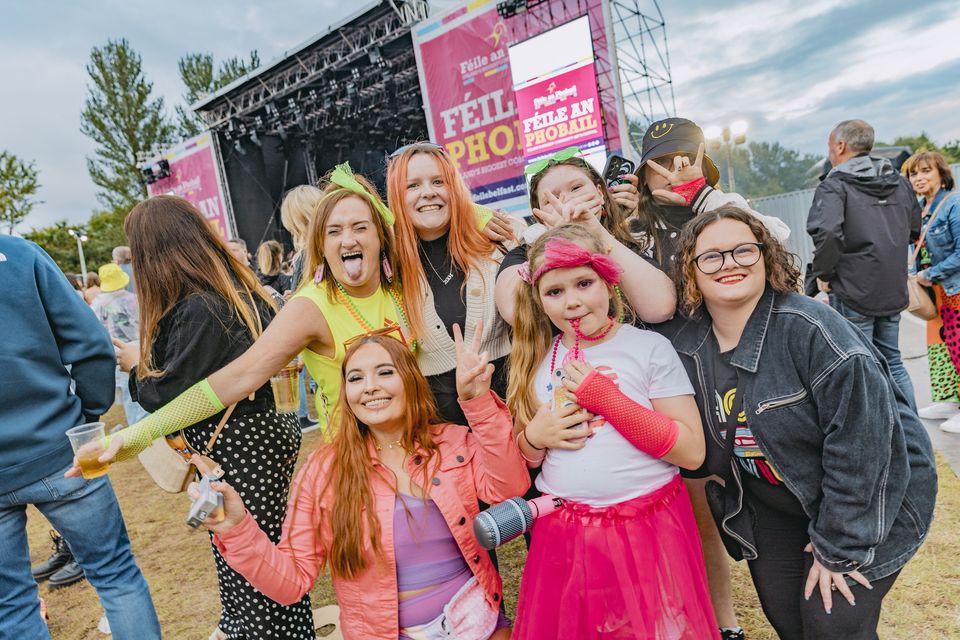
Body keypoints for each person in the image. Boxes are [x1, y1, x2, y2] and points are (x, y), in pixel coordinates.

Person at [672, 205, 937, 639]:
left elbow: (864, 453)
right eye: (712, 256)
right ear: (692, 272)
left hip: (868, 502)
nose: (730, 264)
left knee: (829, 626)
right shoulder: (688, 347)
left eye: (744, 250)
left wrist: (838, 547)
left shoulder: (814, 332)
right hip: (772, 504)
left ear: (767, 256)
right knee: (790, 623)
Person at [190, 332, 527, 639]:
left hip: (475, 621)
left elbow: (509, 487)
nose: (369, 386)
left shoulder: (453, 443)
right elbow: (291, 582)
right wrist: (236, 528)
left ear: (410, 380)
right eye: (356, 378)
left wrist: (478, 401)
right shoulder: (325, 471)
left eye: (384, 372)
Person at [109, 195, 315, 639]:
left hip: (237, 450)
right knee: (252, 554)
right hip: (257, 439)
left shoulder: (200, 307)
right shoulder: (236, 291)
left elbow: (166, 392)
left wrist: (133, 367)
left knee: (253, 567)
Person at [507, 224, 717, 638]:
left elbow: (692, 452)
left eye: (584, 283)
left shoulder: (648, 348)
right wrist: (535, 438)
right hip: (565, 534)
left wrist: (610, 401)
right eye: (554, 292)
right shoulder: (536, 361)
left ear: (608, 281)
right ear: (539, 300)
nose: (572, 302)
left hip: (648, 527)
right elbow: (525, 458)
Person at [0, 235, 160, 639]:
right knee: (115, 576)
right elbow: (90, 344)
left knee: (11, 606)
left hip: (61, 450)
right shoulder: (19, 255)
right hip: (58, 446)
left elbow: (90, 347)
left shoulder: (21, 255)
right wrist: (85, 414)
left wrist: (84, 418)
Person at [386, 142, 519, 424]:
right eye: (412, 186)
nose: (428, 192)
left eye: (439, 181)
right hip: (445, 432)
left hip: (514, 413)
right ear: (397, 196)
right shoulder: (390, 264)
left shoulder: (498, 237)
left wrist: (473, 213)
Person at [807, 119, 921, 410]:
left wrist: (823, 275)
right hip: (893, 288)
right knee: (893, 361)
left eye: (831, 147)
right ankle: (911, 435)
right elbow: (913, 229)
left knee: (860, 364)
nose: (831, 153)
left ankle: (880, 438)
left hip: (852, 290)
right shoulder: (898, 181)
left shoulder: (835, 185)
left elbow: (829, 233)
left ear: (841, 146)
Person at [495, 147, 678, 328]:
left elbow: (660, 308)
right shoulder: (523, 255)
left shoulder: (628, 242)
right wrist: (558, 239)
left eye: (576, 188)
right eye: (551, 198)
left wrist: (595, 232)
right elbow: (515, 313)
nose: (566, 200)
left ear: (600, 192)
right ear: (539, 214)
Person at [903, 151, 960, 429]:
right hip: (935, 293)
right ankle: (948, 398)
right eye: (914, 173)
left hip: (954, 288)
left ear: (941, 173)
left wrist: (929, 273)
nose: (919, 178)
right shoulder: (919, 209)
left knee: (958, 344)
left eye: (926, 171)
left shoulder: (953, 204)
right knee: (941, 347)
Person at [90, 263, 148, 425]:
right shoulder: (134, 300)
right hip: (139, 349)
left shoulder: (97, 304)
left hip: (115, 353)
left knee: (127, 393)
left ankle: (135, 427)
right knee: (143, 389)